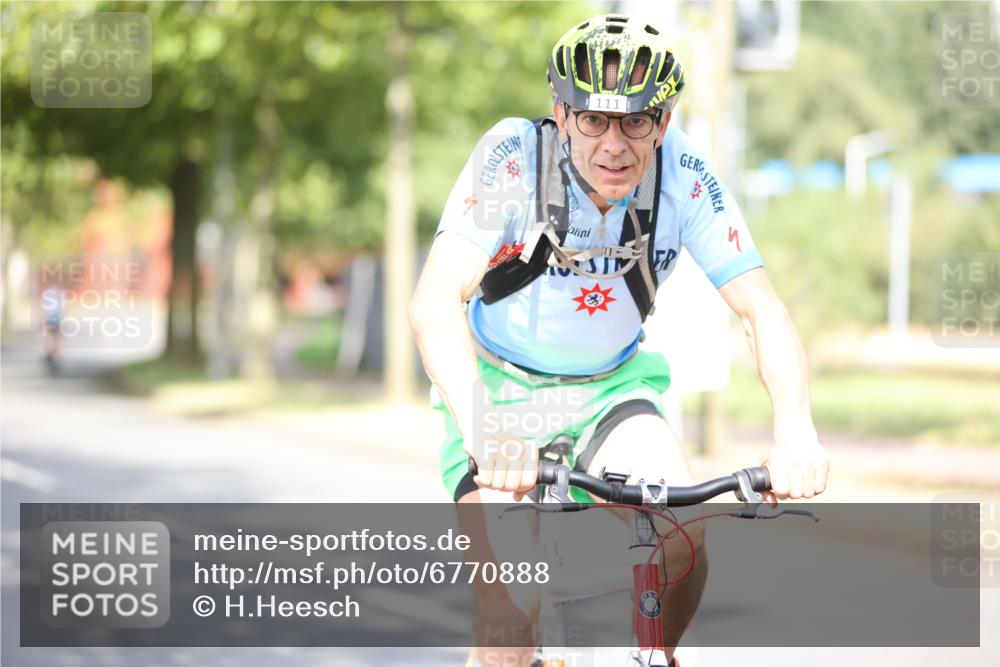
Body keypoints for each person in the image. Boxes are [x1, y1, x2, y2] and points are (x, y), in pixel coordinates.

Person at [409, 13, 831, 667]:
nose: (614, 144)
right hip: (498, 392)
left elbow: (762, 309)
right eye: (593, 119)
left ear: (662, 122)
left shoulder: (684, 175)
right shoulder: (514, 159)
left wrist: (795, 430)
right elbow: (434, 300)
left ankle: (655, 653)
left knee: (686, 541)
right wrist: (484, 427)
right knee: (508, 615)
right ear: (561, 112)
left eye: (636, 121)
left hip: (612, 389)